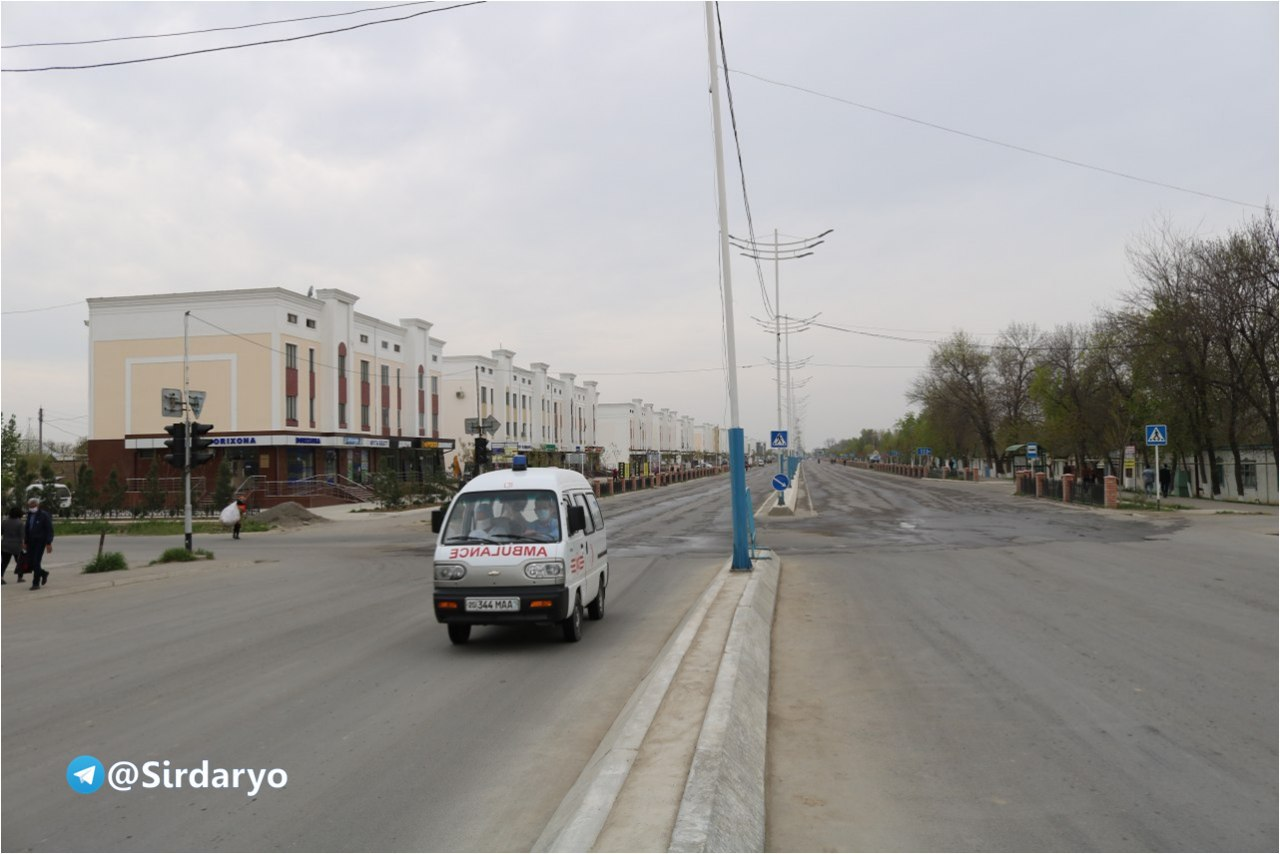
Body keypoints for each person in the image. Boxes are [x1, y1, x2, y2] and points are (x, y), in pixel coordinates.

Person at [23, 496, 54, 590]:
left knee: (36, 561)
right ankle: (43, 573)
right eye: (30, 506)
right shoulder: (29, 515)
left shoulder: (44, 515)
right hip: (30, 542)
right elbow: (27, 529)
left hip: (40, 542)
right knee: (31, 563)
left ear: (38, 505)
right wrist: (25, 542)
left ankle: (35, 583)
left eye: (34, 505)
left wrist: (49, 543)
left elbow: (49, 529)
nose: (32, 507)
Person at [1, 506, 24, 585]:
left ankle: (1, 577)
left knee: (4, 562)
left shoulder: (4, 522)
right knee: (19, 562)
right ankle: (20, 577)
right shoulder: (20, 523)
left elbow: (1, 532)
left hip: (5, 545)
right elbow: (22, 536)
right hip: (16, 546)